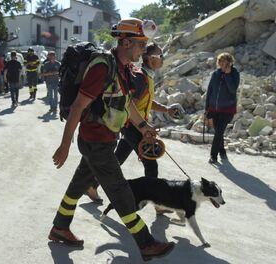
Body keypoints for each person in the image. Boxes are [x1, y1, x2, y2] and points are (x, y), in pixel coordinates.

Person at [49, 18, 175, 261]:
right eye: (140, 44)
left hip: (104, 139)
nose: (143, 49)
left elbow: (126, 103)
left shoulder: (124, 68)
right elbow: (77, 107)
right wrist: (64, 146)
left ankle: (59, 227)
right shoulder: (103, 67)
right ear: (125, 42)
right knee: (120, 191)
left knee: (77, 185)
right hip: (95, 141)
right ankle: (146, 243)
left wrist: (143, 126)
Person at [85, 43, 179, 213]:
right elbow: (129, 106)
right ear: (150, 59)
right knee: (151, 165)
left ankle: (92, 185)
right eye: (160, 56)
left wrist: (166, 109)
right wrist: (143, 128)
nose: (163, 59)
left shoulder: (147, 77)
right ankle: (158, 204)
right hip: (134, 126)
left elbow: (147, 103)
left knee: (118, 157)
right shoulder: (141, 77)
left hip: (135, 126)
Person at [204, 52, 239, 164]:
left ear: (230, 63)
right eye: (220, 61)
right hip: (214, 108)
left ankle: (213, 156)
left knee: (218, 132)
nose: (222, 64)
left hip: (227, 109)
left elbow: (233, 90)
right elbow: (210, 91)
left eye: (224, 61)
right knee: (218, 132)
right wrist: (207, 108)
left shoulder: (235, 73)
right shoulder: (215, 74)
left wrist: (228, 75)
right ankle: (222, 151)